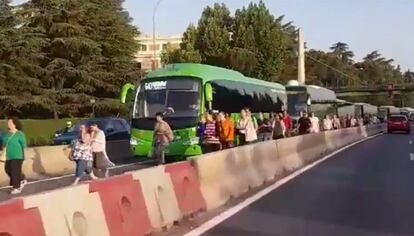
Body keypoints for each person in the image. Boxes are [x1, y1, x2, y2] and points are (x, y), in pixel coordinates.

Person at [1, 118, 28, 194]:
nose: (8, 124)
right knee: (8, 169)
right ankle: (22, 179)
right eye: (8, 123)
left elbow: (24, 146)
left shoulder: (19, 134)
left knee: (15, 171)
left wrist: (25, 156)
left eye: (10, 123)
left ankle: (17, 188)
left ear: (14, 124)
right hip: (9, 156)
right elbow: (4, 145)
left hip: (18, 156)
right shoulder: (7, 135)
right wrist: (2, 153)